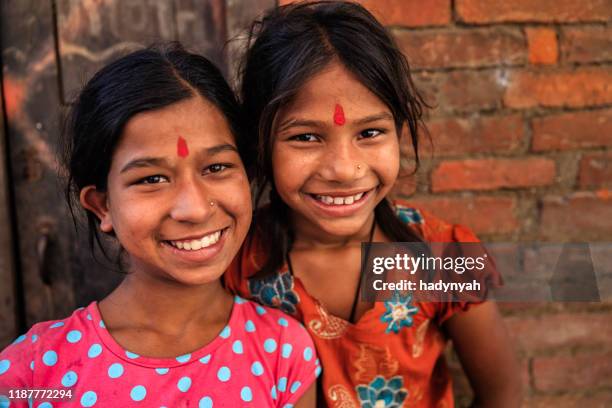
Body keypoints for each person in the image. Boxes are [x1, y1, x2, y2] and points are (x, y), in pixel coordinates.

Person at [224, 2, 521, 407]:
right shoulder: (237, 267)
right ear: (261, 144)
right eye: (306, 137)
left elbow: (505, 395)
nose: (345, 169)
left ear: (399, 131)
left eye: (371, 132)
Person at [0, 43, 317, 407]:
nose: (195, 209)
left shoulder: (281, 353)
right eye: (151, 179)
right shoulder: (35, 373)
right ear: (102, 206)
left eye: (216, 168)